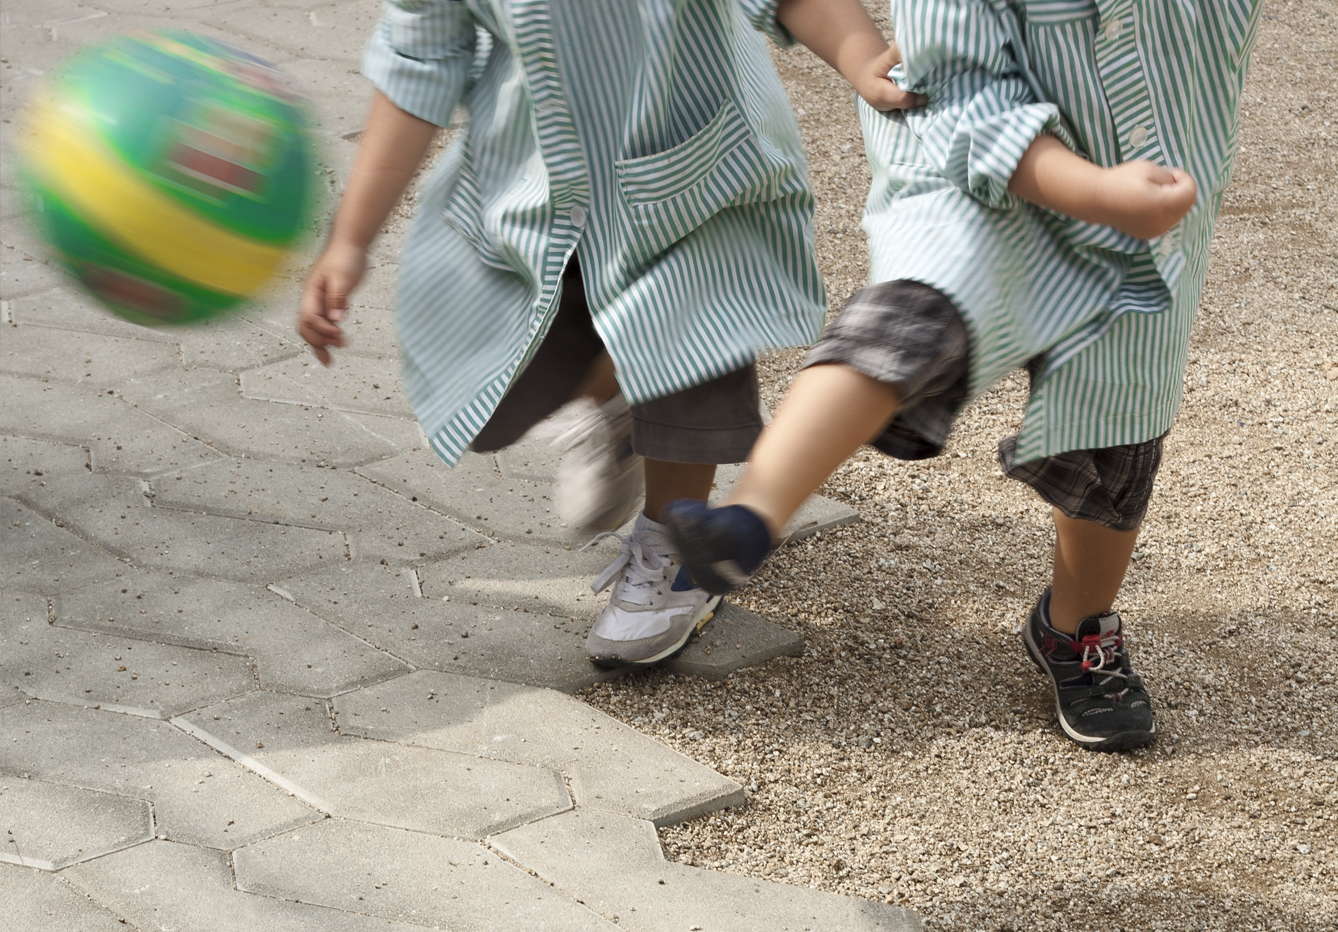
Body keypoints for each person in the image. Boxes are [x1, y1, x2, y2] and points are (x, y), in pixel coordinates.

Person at [666, 0, 1262, 750]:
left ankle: (1074, 626)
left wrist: (1120, 200)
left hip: (1144, 205)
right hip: (970, 179)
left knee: (1116, 419)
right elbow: (961, 93)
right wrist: (1097, 194)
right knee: (905, 324)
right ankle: (751, 513)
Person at [297, 0, 919, 668]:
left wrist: (860, 57)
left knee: (688, 352)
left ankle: (674, 545)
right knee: (491, 405)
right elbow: (417, 63)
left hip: (691, 178)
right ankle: (618, 391)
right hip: (533, 184)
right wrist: (352, 240)